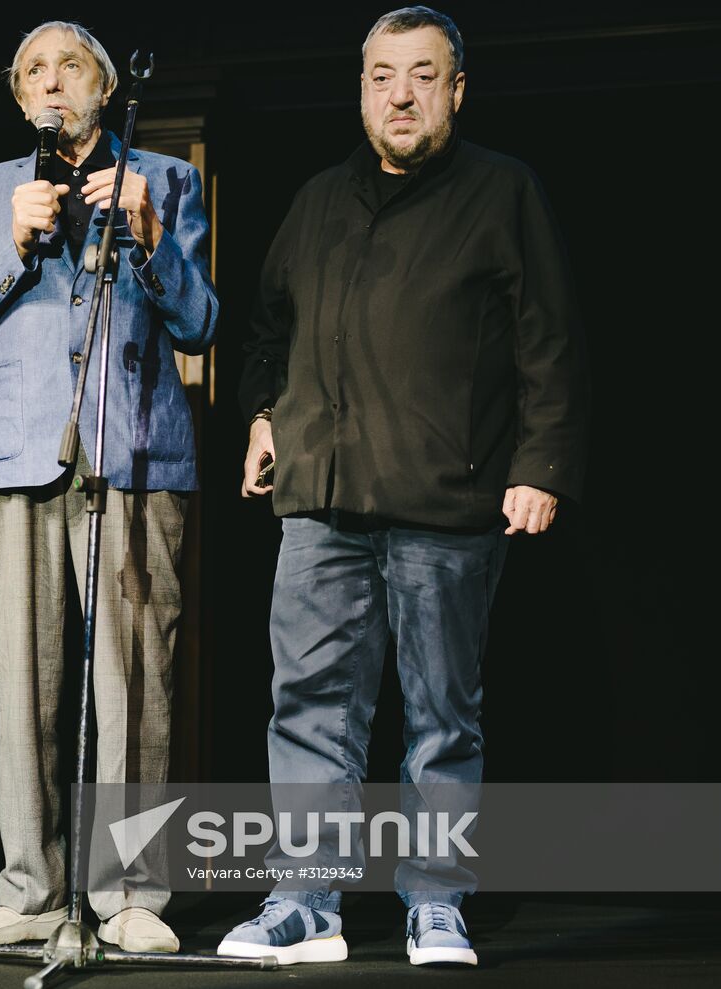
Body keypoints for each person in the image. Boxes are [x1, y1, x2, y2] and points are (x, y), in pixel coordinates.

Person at [218, 6, 587, 967]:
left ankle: (436, 902)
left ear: (456, 90)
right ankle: (307, 905)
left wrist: (539, 466)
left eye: (423, 75)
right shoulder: (316, 200)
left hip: (445, 504)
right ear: (362, 90)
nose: (402, 94)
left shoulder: (503, 190)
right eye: (383, 76)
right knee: (308, 710)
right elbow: (266, 330)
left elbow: (549, 341)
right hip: (320, 502)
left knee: (440, 720)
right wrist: (263, 415)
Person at [0, 20, 217, 953]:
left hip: (133, 454)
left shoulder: (165, 181)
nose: (51, 82)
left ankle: (131, 894)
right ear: (20, 97)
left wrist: (148, 235)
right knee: (21, 682)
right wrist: (12, 246)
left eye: (70, 66)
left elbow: (201, 322)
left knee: (137, 682)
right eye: (33, 72)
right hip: (14, 457)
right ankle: (31, 888)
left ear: (104, 86)